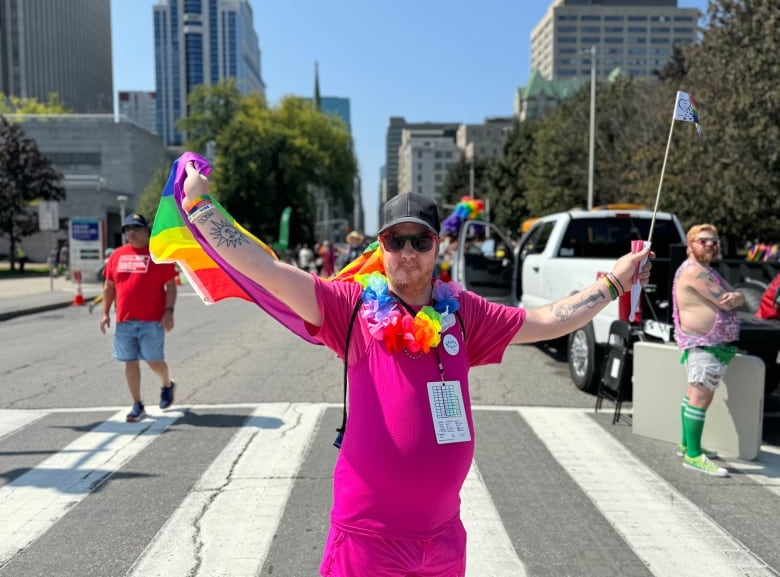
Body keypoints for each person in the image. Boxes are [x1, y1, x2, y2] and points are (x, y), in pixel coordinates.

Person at [182, 162, 652, 577]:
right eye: (395, 240)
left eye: (420, 240)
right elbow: (267, 271)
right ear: (380, 246)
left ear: (437, 245)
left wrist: (616, 281)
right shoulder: (349, 308)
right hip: (367, 541)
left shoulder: (464, 312)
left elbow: (549, 320)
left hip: (443, 541)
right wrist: (201, 206)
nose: (408, 252)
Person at [672, 224, 744, 477]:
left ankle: (686, 445)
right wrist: (736, 297)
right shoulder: (695, 272)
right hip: (704, 344)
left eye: (714, 241)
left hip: (708, 344)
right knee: (701, 397)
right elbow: (725, 298)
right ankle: (693, 455)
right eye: (704, 241)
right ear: (690, 245)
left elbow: (738, 297)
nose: (711, 245)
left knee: (694, 392)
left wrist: (738, 297)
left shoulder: (706, 270)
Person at [99, 213, 178, 422]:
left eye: (136, 228)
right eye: (127, 229)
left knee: (154, 360)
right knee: (130, 362)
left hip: (152, 320)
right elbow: (109, 286)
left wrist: (169, 312)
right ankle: (137, 404)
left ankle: (167, 384)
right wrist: (105, 313)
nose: (131, 233)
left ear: (146, 231)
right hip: (124, 320)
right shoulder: (116, 255)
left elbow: (170, 285)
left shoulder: (158, 255)